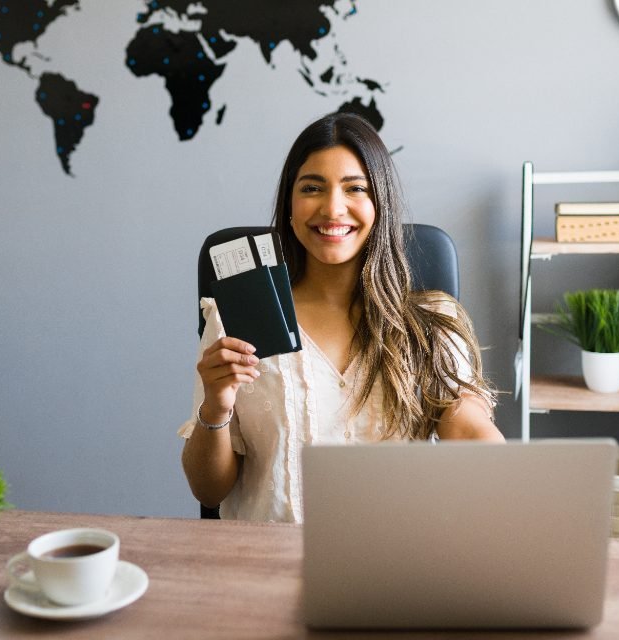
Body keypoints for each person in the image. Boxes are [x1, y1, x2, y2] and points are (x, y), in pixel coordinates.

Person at [178, 112, 503, 523]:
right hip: (264, 566)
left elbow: (468, 426)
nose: (333, 209)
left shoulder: (431, 322)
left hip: (395, 565)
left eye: (356, 189)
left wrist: (512, 477)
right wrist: (216, 405)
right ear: (290, 206)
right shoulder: (235, 321)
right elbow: (208, 490)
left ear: (379, 204)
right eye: (312, 188)